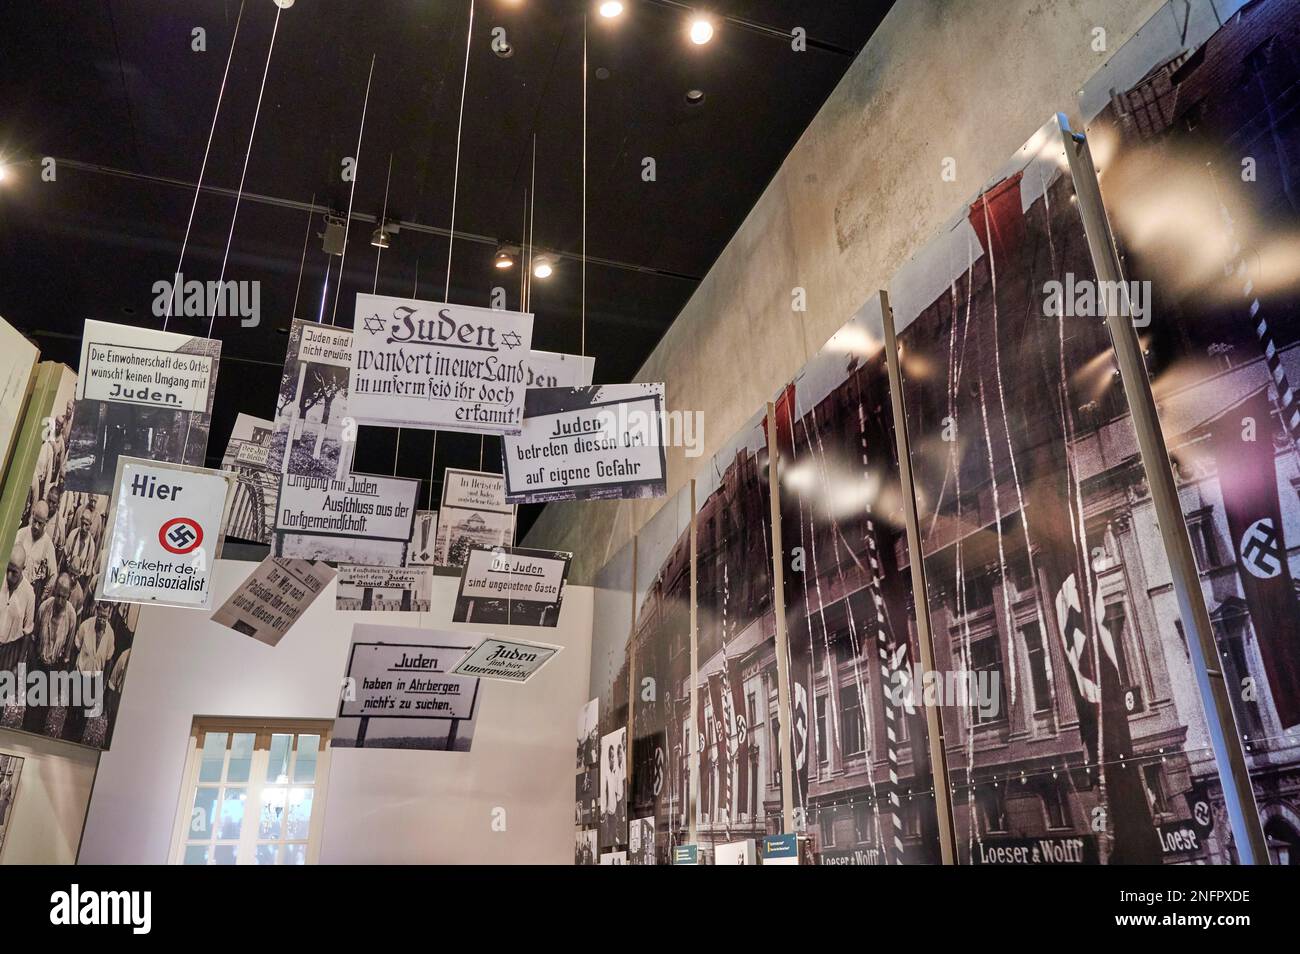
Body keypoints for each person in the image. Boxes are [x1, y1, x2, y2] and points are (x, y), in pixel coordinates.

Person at [24, 572, 77, 734]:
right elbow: (33, 639)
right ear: (54, 592)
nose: (60, 601)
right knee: (30, 708)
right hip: (37, 664)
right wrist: (31, 669)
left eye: (64, 597)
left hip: (54, 669)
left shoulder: (71, 616)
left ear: (68, 596)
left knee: (43, 711)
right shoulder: (44, 608)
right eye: (58, 595)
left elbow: (67, 653)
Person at [14, 500, 57, 604]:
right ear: (32, 515)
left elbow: (53, 575)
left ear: (46, 522)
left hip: (29, 594)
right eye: (35, 521)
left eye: (40, 523)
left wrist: (42, 597)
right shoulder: (21, 534)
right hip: (14, 586)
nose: (36, 526)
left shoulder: (48, 545)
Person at [0, 546, 35, 672]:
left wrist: (19, 664)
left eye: (14, 572)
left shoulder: (29, 594)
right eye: (8, 569)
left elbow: (27, 632)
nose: (9, 576)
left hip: (10, 651)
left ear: (23, 569)